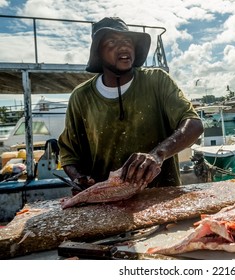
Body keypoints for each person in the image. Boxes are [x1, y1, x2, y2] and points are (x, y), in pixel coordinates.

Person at [58, 17, 203, 192]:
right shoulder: (81, 97)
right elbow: (69, 154)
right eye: (112, 41)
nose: (124, 46)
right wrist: (78, 178)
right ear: (98, 52)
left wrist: (158, 154)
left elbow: (193, 123)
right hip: (106, 204)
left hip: (160, 198)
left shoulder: (157, 81)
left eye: (127, 41)